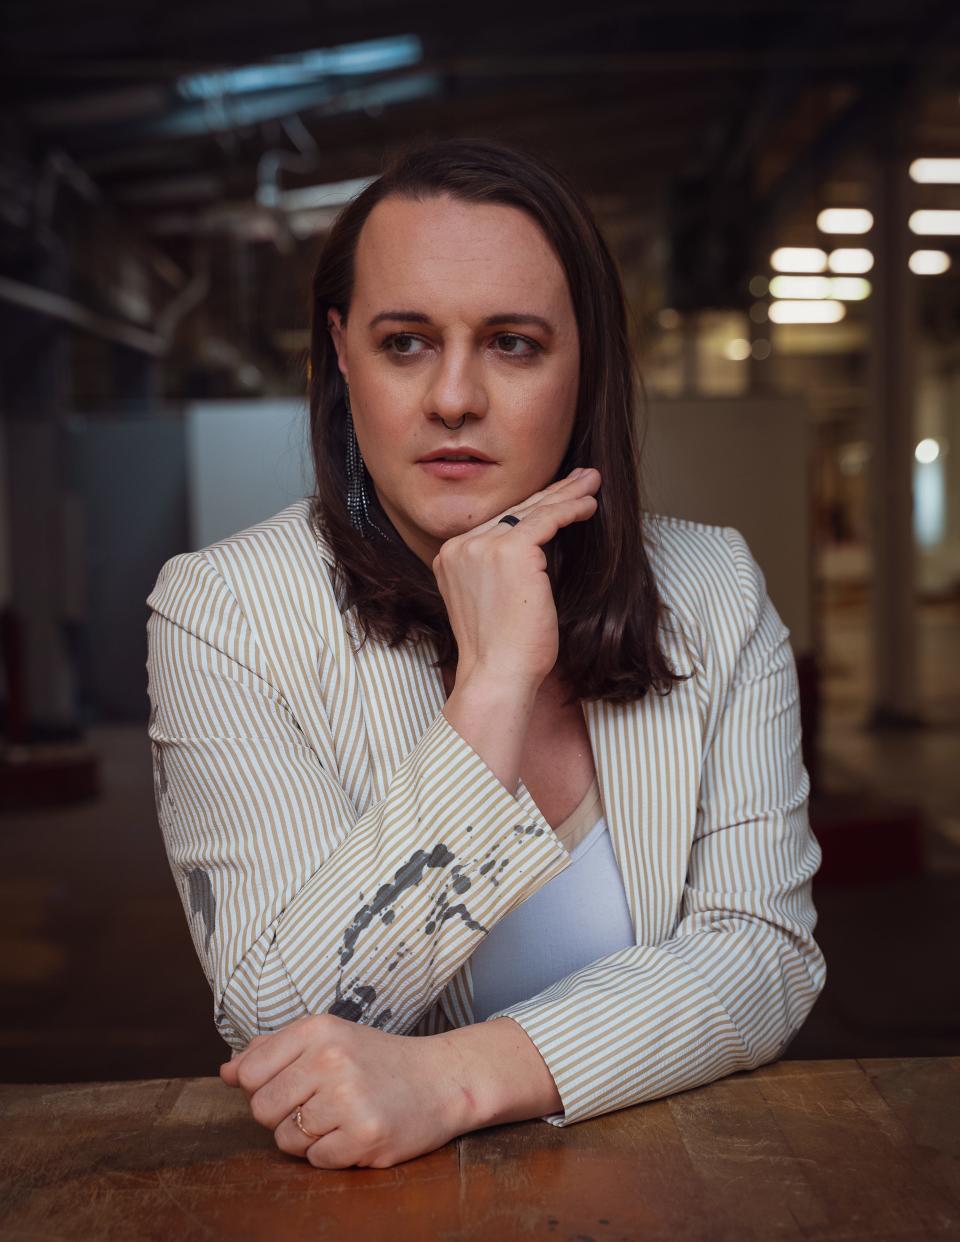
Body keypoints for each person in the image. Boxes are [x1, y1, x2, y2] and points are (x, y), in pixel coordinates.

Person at [145, 136, 826, 1170]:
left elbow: (762, 956)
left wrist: (454, 1077)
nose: (454, 397)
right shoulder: (226, 613)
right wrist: (493, 686)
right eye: (406, 341)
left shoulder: (712, 590)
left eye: (512, 343)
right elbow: (281, 1023)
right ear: (341, 350)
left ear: (586, 356)